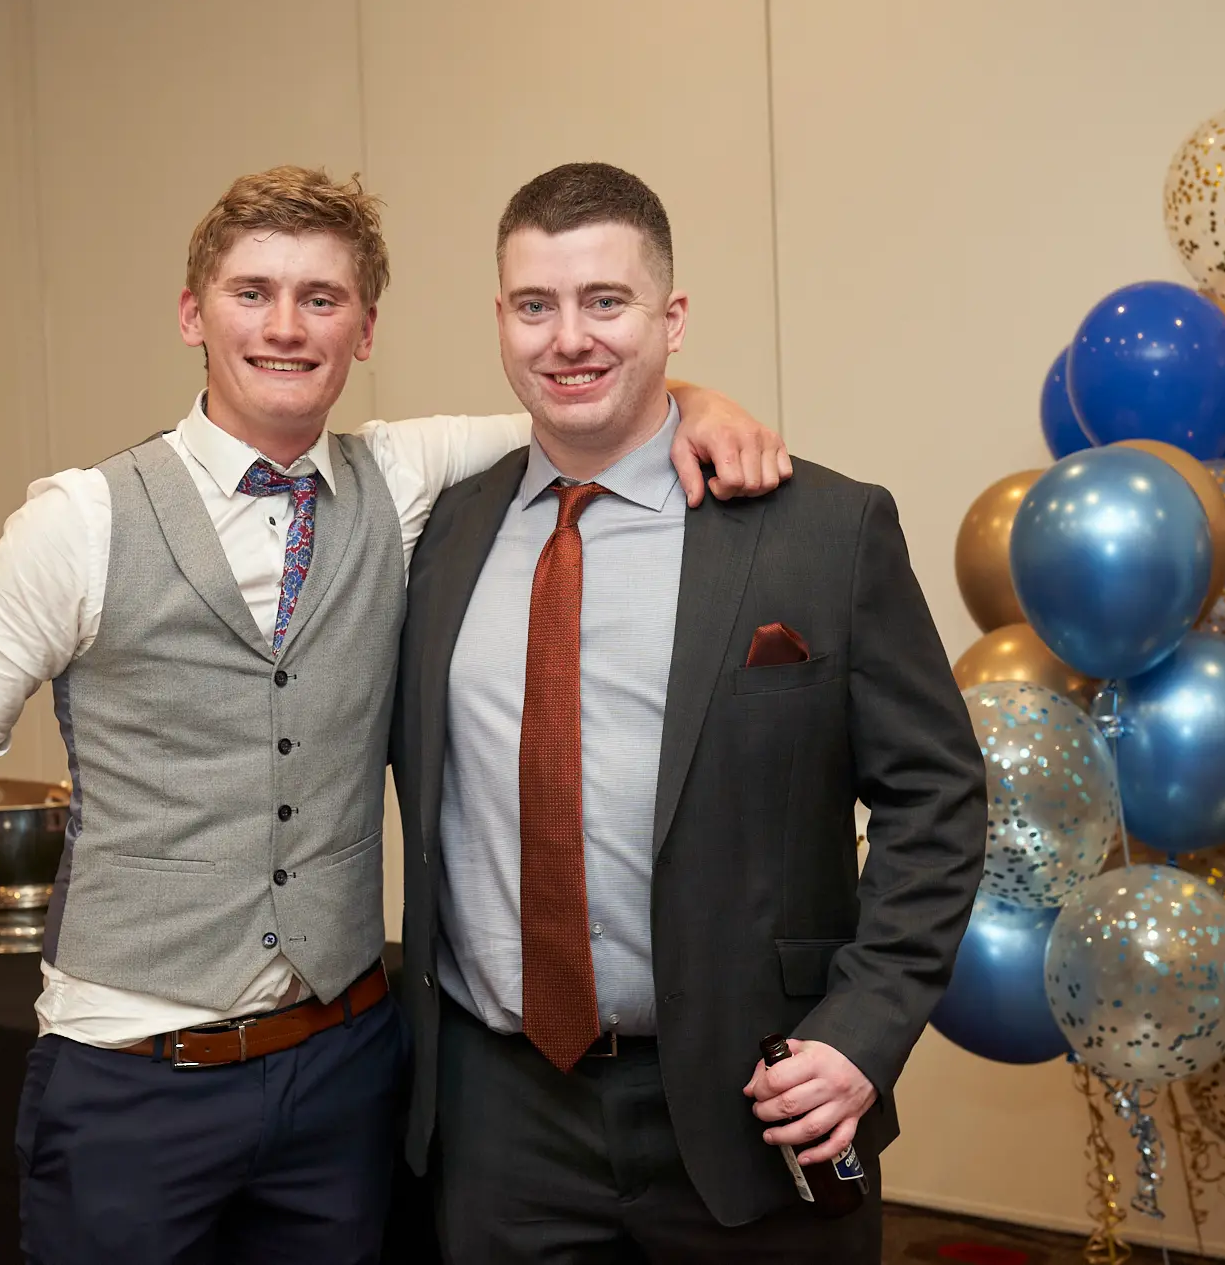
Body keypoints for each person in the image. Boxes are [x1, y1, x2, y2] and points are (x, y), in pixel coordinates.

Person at [0, 164, 789, 1264]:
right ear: (193, 313)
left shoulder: (406, 474)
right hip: (132, 1074)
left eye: (321, 299)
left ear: (364, 328)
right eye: (251, 292)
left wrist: (700, 404)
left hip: (343, 1074)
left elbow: (591, 403)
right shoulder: (77, 523)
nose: (285, 326)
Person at [391, 162, 987, 1262]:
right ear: (501, 320)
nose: (567, 337)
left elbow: (936, 799)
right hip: (496, 1119)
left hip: (754, 1102)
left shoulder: (822, 529)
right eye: (536, 305)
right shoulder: (435, 535)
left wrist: (861, 1030)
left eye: (603, 302)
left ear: (671, 319)